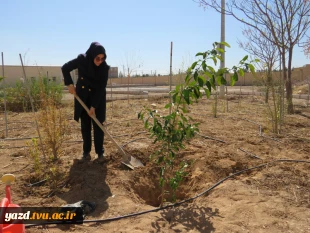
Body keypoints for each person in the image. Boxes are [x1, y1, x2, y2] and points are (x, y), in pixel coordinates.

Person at [61, 42, 109, 162]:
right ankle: (86, 152)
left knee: (98, 125)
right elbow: (65, 68)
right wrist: (69, 84)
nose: (100, 61)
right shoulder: (82, 59)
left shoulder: (104, 68)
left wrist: (94, 106)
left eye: (102, 58)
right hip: (83, 97)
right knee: (85, 126)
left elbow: (101, 88)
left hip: (97, 98)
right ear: (92, 55)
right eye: (97, 58)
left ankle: (100, 153)